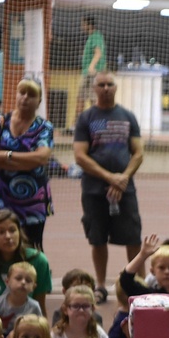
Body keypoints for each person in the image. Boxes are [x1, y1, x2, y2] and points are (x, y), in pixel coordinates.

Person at [73, 70, 144, 303]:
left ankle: (137, 284)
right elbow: (80, 156)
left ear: (116, 87)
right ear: (94, 88)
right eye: (101, 84)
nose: (105, 88)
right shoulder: (86, 118)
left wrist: (122, 179)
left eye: (109, 84)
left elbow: (138, 153)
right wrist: (109, 178)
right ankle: (101, 285)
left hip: (125, 189)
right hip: (94, 190)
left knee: (133, 237)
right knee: (97, 238)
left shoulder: (128, 116)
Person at [0, 78, 54, 250]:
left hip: (33, 201)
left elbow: (41, 158)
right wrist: (27, 161)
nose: (25, 98)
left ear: (39, 101)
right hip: (1, 197)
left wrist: (5, 156)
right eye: (22, 93)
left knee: (32, 249)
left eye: (31, 95)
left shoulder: (44, 127)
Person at [120, 234, 169, 308]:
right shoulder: (147, 296)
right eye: (161, 268)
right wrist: (142, 255)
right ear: (152, 271)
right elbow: (125, 280)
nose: (167, 272)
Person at [0, 261, 42, 337]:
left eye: (28, 280)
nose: (23, 282)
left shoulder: (34, 307)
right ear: (7, 282)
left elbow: (39, 330)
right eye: (18, 278)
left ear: (33, 287)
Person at [75, 16, 106, 118]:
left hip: (93, 73)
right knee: (82, 97)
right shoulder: (91, 37)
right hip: (88, 72)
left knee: (92, 98)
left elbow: (98, 53)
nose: (82, 26)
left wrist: (91, 67)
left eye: (83, 24)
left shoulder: (96, 36)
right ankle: (79, 123)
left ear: (89, 25)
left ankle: (94, 122)